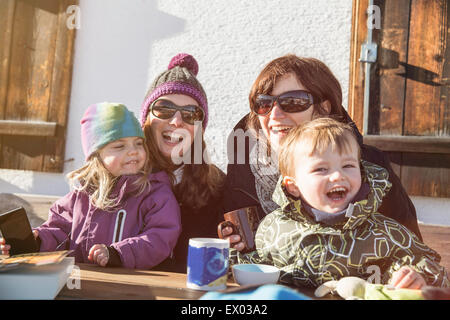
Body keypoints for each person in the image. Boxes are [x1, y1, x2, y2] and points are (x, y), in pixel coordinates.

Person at [221, 54, 422, 252]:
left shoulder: (371, 166)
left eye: (292, 101)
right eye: (264, 103)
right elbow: (244, 253)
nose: (274, 115)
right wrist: (230, 243)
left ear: (324, 109)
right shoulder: (245, 164)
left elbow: (411, 249)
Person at [230, 118, 449, 289]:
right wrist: (229, 255)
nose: (337, 176)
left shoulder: (384, 232)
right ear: (293, 186)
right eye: (321, 169)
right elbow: (252, 265)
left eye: (348, 166)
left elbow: (429, 265)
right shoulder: (274, 229)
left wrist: (418, 276)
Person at [1, 103, 181, 269]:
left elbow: (161, 237)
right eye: (119, 146)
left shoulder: (154, 192)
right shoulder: (81, 195)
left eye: (139, 143)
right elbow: (58, 231)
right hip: (81, 283)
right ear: (97, 156)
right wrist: (37, 241)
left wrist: (118, 253)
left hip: (132, 287)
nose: (133, 150)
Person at [140, 53, 226, 272]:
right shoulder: (120, 177)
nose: (176, 121)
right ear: (146, 118)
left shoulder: (218, 187)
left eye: (191, 113)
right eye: (164, 109)